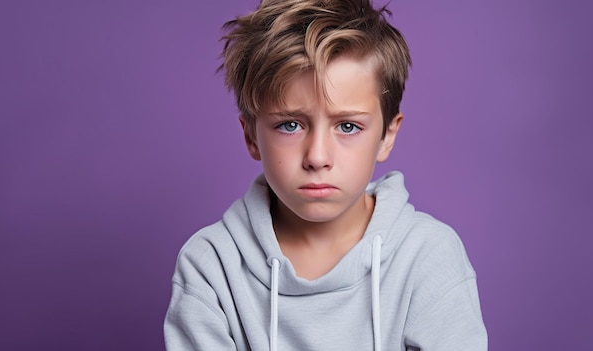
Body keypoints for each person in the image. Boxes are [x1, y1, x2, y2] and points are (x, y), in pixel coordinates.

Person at [164, 0, 488, 349]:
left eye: (348, 126)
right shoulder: (211, 267)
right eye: (290, 125)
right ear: (251, 137)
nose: (317, 157)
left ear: (386, 137)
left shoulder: (429, 257)